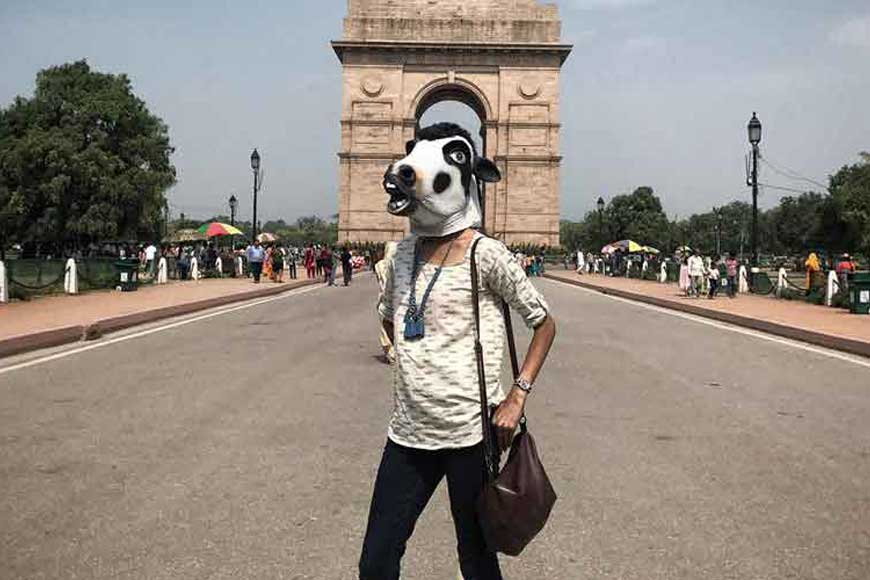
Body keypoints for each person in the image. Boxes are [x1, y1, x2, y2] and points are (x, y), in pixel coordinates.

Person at [359, 123, 556, 580]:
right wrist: (413, 355)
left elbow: (544, 321)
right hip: (408, 434)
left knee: (476, 560)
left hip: (471, 433)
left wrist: (517, 394)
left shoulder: (485, 254)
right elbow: (389, 313)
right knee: (376, 561)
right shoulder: (403, 253)